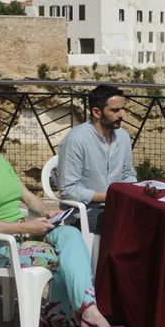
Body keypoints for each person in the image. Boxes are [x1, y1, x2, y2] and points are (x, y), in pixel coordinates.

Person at [0, 101, 123, 327]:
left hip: (22, 234)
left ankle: (82, 311)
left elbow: (27, 197)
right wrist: (27, 228)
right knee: (60, 255)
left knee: (70, 235)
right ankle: (63, 315)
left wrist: (48, 212)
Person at [56, 85, 137, 233]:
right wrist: (109, 196)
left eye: (122, 109)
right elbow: (68, 189)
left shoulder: (123, 137)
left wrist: (133, 190)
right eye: (115, 110)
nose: (122, 114)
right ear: (97, 112)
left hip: (116, 205)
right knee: (126, 227)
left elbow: (127, 174)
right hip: (83, 212)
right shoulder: (76, 140)